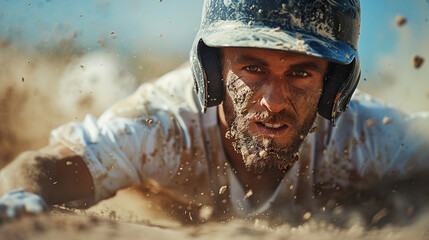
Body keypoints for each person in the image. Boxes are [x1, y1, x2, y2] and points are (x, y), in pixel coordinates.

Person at [0, 0, 428, 225]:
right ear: (213, 70)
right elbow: (41, 168)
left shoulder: (368, 136)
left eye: (300, 73)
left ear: (335, 84)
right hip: (124, 122)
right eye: (253, 68)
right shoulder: (160, 124)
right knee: (96, 86)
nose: (274, 101)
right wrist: (20, 200)